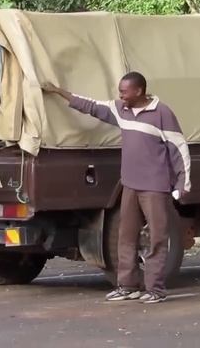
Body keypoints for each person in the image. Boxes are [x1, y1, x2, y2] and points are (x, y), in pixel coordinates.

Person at [42, 72, 191, 304]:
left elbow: (179, 149)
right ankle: (127, 286)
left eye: (124, 91)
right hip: (130, 185)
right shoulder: (120, 109)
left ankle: (156, 290)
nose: (120, 95)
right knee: (126, 237)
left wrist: (183, 183)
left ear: (138, 91)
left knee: (157, 239)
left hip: (155, 187)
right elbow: (90, 105)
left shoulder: (161, 113)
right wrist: (58, 91)